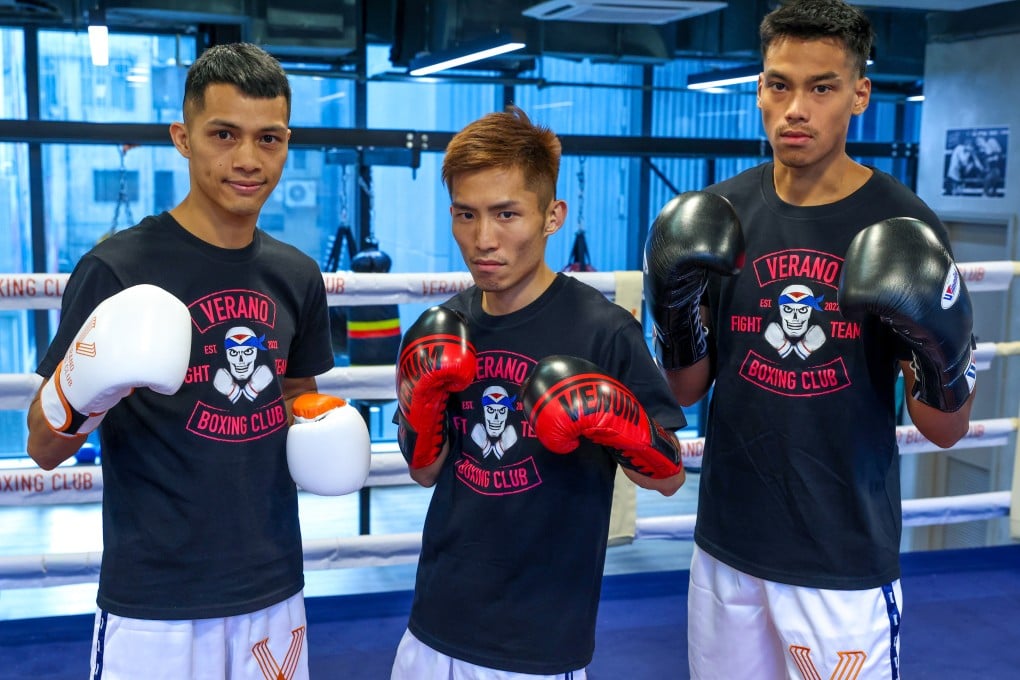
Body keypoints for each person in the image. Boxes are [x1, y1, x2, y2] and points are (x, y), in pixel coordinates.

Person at [643, 1, 977, 678]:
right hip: (728, 548)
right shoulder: (721, 213)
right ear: (760, 88)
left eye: (821, 87)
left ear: (859, 94)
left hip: (841, 556)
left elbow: (944, 430)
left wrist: (943, 354)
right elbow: (685, 391)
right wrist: (673, 311)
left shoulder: (904, 225)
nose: (795, 108)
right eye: (778, 84)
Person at [25, 42, 368, 680]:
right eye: (223, 134)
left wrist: (323, 426)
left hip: (272, 590)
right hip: (155, 602)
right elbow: (43, 445)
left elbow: (297, 397)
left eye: (268, 139)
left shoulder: (295, 275)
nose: (247, 159)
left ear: (287, 142)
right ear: (183, 138)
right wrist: (90, 386)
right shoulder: (117, 269)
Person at [390, 106, 688, 679]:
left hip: (542, 636)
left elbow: (669, 478)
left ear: (554, 216)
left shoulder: (604, 330)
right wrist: (421, 405)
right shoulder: (444, 326)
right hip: (436, 620)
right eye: (465, 215)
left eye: (506, 215)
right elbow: (425, 473)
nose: (483, 240)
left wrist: (615, 418)